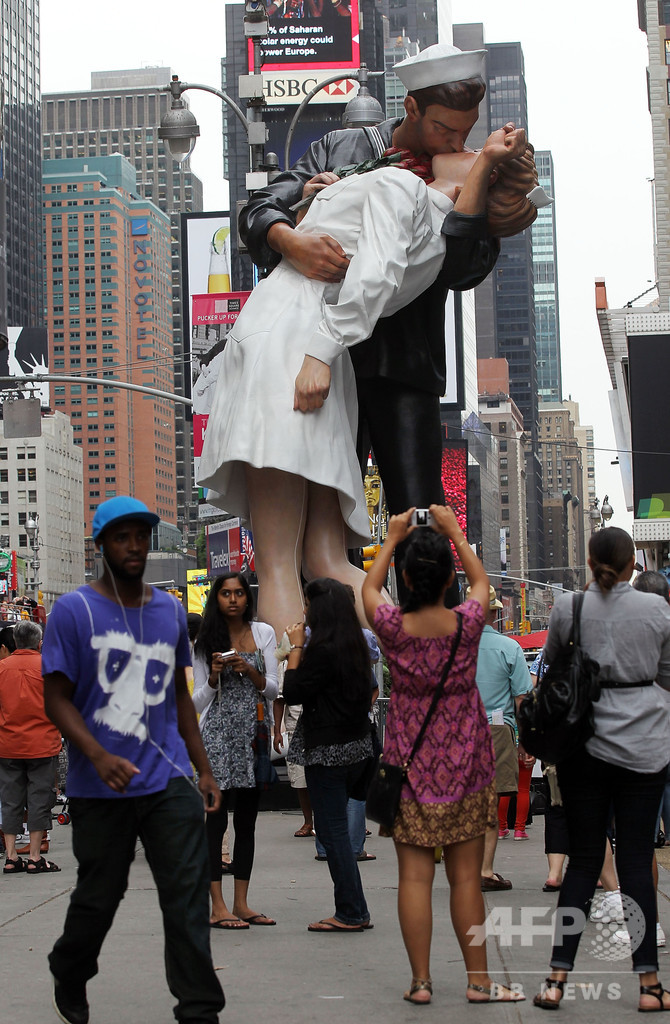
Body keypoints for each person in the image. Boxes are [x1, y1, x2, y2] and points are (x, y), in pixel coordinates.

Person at [199, 128, 541, 640]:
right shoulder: (433, 239)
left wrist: (318, 351)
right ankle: (427, 644)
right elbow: (368, 275)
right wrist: (312, 207)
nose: (454, 143)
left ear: (470, 171)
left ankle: (288, 712)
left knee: (276, 563)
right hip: (324, 361)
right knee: (324, 557)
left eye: (466, 147)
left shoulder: (399, 187)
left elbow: (370, 279)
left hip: (290, 348)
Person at [42, 496, 224, 1024]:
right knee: (100, 896)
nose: (135, 546)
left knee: (187, 896)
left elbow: (177, 699)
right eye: (122, 537)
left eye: (141, 535)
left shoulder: (168, 610)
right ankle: (70, 968)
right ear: (101, 545)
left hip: (166, 777)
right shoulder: (73, 611)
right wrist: (96, 754)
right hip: (99, 785)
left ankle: (199, 1010)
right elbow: (56, 697)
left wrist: (203, 768)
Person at [361, 505, 525, 1006]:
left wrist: (390, 538)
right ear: (447, 575)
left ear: (406, 577)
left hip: (409, 768)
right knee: (464, 879)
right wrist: (454, 530)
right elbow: (480, 583)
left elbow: (368, 590)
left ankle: (421, 982)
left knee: (413, 877)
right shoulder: (469, 623)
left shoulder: (391, 627)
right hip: (467, 765)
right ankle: (478, 982)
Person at [533, 527, 670, 1012]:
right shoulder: (658, 610)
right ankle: (650, 985)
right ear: (633, 564)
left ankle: (554, 979)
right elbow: (668, 677)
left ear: (590, 563)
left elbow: (549, 672)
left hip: (583, 750)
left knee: (585, 860)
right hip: (645, 749)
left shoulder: (569, 609)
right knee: (635, 860)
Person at [282, 577, 374, 932]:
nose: (304, 611)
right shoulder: (354, 645)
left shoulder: (321, 650)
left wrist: (295, 650)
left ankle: (351, 911)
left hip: (329, 753)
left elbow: (292, 692)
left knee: (332, 833)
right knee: (338, 831)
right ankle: (355, 908)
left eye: (307, 604)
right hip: (357, 748)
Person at [192, 572, 279, 930]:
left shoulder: (264, 633)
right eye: (226, 593)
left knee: (247, 823)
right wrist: (214, 677)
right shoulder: (204, 641)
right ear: (217, 598)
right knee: (216, 823)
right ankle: (218, 905)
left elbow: (273, 689)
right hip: (216, 738)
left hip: (252, 736)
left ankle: (242, 903)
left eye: (239, 593)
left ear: (247, 597)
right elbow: (197, 701)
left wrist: (250, 671)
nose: (232, 599)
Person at [469, 585, 533, 890]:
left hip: (458, 730)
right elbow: (522, 700)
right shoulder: (510, 648)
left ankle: (464, 868)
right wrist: (525, 743)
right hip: (497, 730)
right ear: (495, 613)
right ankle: (484, 870)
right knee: (492, 800)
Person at [0, 621, 61, 874]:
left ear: (15, 641)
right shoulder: (49, 668)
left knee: (10, 799)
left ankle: (12, 855)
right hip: (42, 744)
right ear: (39, 643)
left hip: (8, 744)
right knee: (39, 798)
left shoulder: (1, 668)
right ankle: (35, 856)